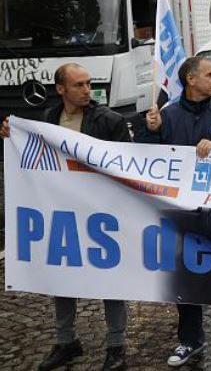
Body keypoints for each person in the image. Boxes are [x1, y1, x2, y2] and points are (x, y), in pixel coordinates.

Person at [1, 63, 131, 371]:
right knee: (62, 275)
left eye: (88, 84)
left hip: (101, 214)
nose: (87, 90)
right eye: (79, 85)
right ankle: (66, 341)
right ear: (61, 89)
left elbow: (127, 164)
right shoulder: (49, 118)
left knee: (110, 280)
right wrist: (11, 134)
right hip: (63, 213)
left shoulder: (109, 120)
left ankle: (116, 347)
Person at [136, 56, 211, 368]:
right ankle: (190, 340)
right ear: (191, 79)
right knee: (186, 278)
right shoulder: (168, 116)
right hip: (182, 214)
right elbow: (147, 159)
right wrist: (149, 130)